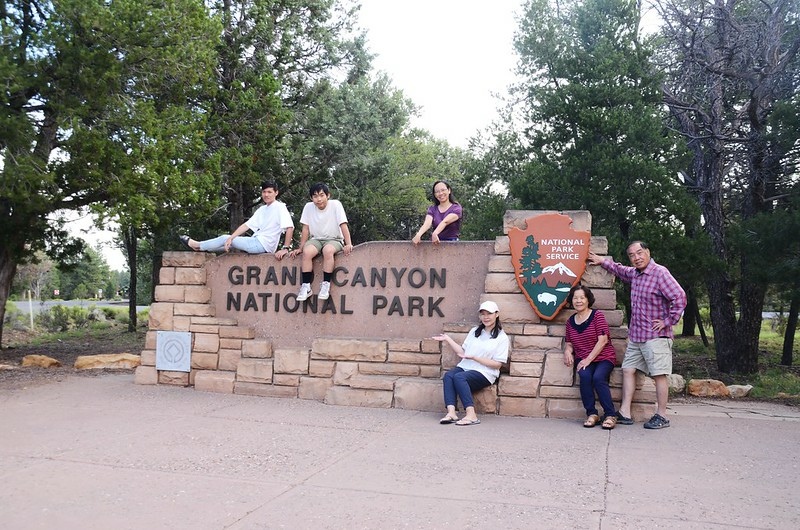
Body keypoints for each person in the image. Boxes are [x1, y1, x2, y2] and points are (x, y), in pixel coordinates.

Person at [588, 241, 687, 430]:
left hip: (656, 336)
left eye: (640, 253)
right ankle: (625, 412)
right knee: (628, 370)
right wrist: (601, 260)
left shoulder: (660, 273)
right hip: (637, 335)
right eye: (632, 255)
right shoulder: (635, 274)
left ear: (648, 252)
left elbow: (679, 296)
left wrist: (667, 321)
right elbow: (621, 270)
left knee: (659, 375)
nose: (636, 257)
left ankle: (662, 415)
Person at [433, 300, 509, 426]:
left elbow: (497, 364)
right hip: (466, 367)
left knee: (459, 377)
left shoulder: (502, 338)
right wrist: (447, 339)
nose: (486, 317)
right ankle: (451, 413)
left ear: (496, 314)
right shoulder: (474, 332)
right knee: (449, 375)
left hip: (485, 372)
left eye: (489, 314)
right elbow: (462, 352)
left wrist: (475, 358)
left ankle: (471, 415)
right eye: (482, 314)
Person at [179, 181, 294, 260]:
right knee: (226, 242)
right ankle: (201, 249)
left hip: (263, 244)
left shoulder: (280, 207)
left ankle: (197, 245)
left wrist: (285, 248)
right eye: (264, 192)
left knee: (225, 239)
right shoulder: (262, 209)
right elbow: (246, 226)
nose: (266, 195)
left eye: (269, 192)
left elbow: (290, 227)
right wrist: (232, 237)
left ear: (276, 193)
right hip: (256, 241)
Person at [562, 285, 618, 429]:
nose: (578, 301)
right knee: (585, 376)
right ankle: (592, 414)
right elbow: (569, 343)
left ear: (588, 300)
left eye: (582, 297)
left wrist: (588, 359)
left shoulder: (597, 315)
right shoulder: (570, 322)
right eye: (575, 298)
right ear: (571, 300)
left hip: (604, 357)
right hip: (584, 358)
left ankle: (610, 415)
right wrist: (567, 351)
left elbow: (603, 340)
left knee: (598, 378)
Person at [289, 183, 353, 301]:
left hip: (334, 239)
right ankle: (306, 286)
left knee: (328, 251)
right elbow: (305, 229)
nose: (318, 199)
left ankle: (325, 285)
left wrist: (348, 243)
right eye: (315, 196)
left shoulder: (336, 205)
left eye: (321, 195)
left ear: (328, 195)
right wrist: (301, 247)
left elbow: (343, 224)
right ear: (311, 198)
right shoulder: (308, 207)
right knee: (307, 252)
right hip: (316, 239)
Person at [411, 180, 463, 244]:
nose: (441, 193)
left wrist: (435, 233)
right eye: (437, 192)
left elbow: (445, 222)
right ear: (435, 195)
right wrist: (419, 234)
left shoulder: (456, 207)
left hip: (452, 243)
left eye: (443, 190)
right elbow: (427, 223)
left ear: (449, 190)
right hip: (435, 243)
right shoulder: (432, 209)